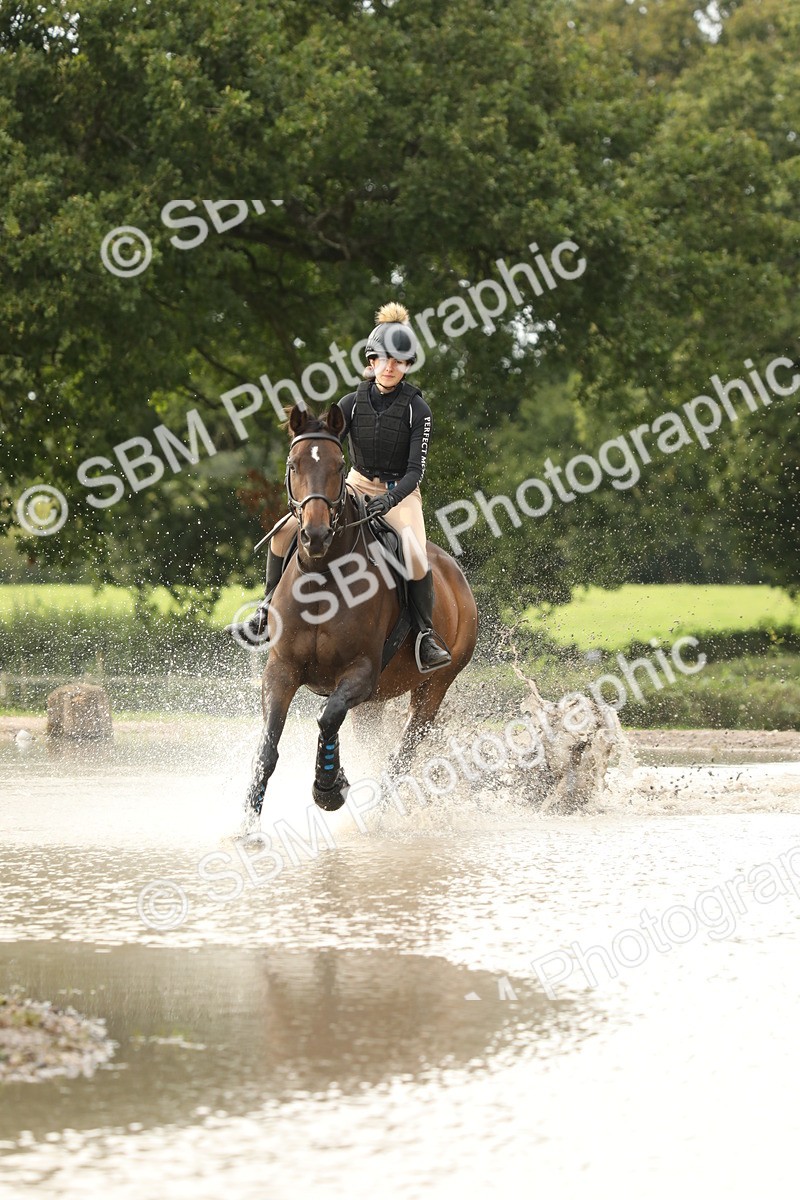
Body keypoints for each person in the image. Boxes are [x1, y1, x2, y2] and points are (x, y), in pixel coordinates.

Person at [227, 303, 452, 671]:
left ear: (407, 365)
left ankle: (426, 636)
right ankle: (266, 610)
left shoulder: (418, 410)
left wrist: (391, 499)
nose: (390, 366)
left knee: (413, 554)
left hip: (401, 493)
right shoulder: (350, 403)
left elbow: (416, 470)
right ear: (372, 360)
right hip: (355, 483)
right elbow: (325, 449)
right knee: (284, 533)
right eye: (382, 359)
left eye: (398, 361)